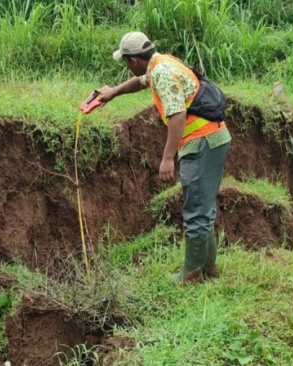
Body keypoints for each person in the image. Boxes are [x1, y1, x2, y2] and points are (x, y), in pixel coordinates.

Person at [98, 31, 232, 284]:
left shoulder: (162, 73)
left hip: (202, 143)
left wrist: (168, 158)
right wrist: (113, 92)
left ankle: (191, 274)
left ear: (133, 61)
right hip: (213, 138)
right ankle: (209, 268)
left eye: (126, 62)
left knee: (196, 212)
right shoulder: (162, 62)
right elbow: (141, 81)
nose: (128, 68)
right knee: (204, 209)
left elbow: (178, 116)